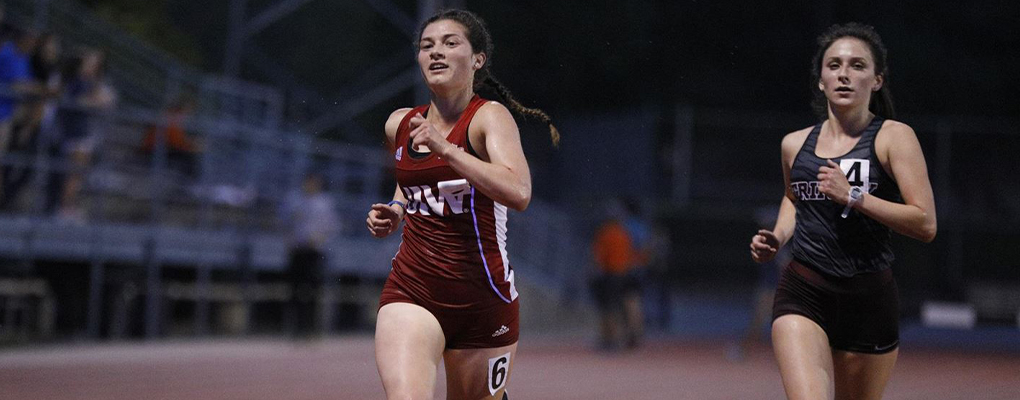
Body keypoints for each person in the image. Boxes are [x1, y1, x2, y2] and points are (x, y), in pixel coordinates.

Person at [364, 9, 558, 400]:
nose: (436, 52)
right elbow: (413, 179)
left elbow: (519, 192)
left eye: (450, 43)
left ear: (477, 59)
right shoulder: (399, 123)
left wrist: (447, 148)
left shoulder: (489, 118)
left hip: (482, 301)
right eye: (426, 46)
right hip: (412, 290)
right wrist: (398, 209)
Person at [749, 23, 937, 400]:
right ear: (821, 80)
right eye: (834, 65)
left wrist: (854, 197)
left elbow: (925, 222)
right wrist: (778, 236)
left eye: (857, 65)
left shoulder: (894, 138)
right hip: (804, 289)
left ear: (877, 79)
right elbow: (793, 196)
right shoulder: (794, 144)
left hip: (869, 298)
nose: (844, 74)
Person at [279, 173, 338, 338]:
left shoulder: (324, 203)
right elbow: (284, 222)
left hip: (315, 251)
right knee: (294, 290)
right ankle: (295, 329)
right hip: (297, 250)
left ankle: (312, 329)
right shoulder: (293, 200)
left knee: (313, 291)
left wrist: (320, 238)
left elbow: (331, 226)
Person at [591, 204, 643, 351]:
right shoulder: (625, 233)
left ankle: (611, 338)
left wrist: (594, 272)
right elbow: (634, 253)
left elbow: (598, 257)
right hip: (628, 272)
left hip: (612, 274)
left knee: (609, 307)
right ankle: (634, 334)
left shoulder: (605, 233)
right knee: (630, 304)